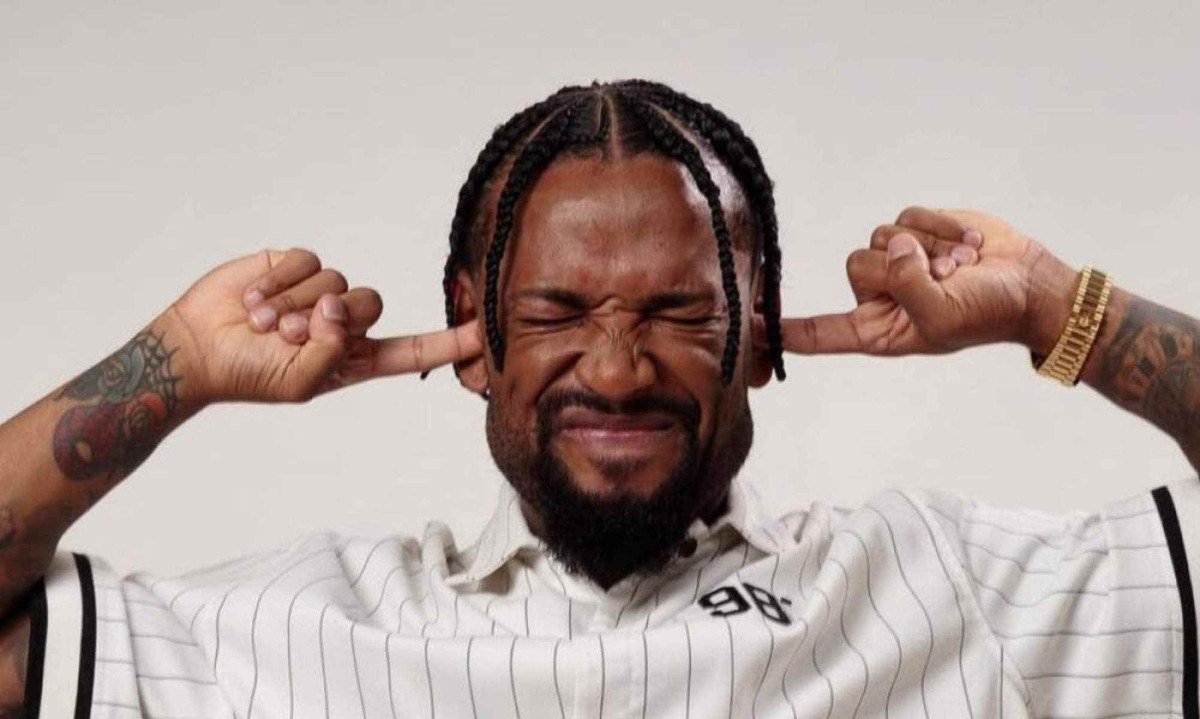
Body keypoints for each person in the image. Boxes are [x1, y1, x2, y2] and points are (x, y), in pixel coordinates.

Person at [0, 79, 1196, 718]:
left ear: (762, 329)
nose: (618, 369)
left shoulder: (943, 589)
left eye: (680, 311)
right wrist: (172, 365)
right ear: (473, 332)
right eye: (557, 311)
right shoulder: (285, 634)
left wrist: (1057, 307)